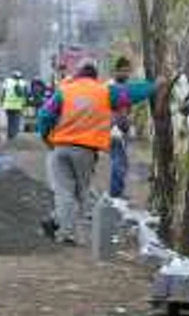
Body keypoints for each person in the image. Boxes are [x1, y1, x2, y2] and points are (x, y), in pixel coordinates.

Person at [37, 59, 165, 245]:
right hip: (85, 151)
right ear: (95, 76)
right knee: (80, 194)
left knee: (64, 191)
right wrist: (154, 86)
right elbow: (131, 93)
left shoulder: (64, 91)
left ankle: (56, 222)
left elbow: (45, 115)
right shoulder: (104, 91)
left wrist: (46, 138)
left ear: (79, 74)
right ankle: (65, 231)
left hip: (60, 148)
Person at [109, 56, 133, 199]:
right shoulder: (111, 87)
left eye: (127, 71)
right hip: (113, 129)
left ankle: (117, 192)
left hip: (121, 129)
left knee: (122, 162)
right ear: (116, 71)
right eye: (123, 71)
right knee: (119, 161)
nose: (126, 74)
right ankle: (116, 194)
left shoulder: (126, 87)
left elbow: (127, 109)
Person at [1, 71, 28, 139]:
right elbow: (25, 95)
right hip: (17, 105)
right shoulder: (22, 83)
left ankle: (10, 134)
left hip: (7, 105)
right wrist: (25, 104)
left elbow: (3, 94)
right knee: (16, 120)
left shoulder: (6, 82)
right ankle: (15, 135)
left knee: (10, 120)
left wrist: (2, 103)